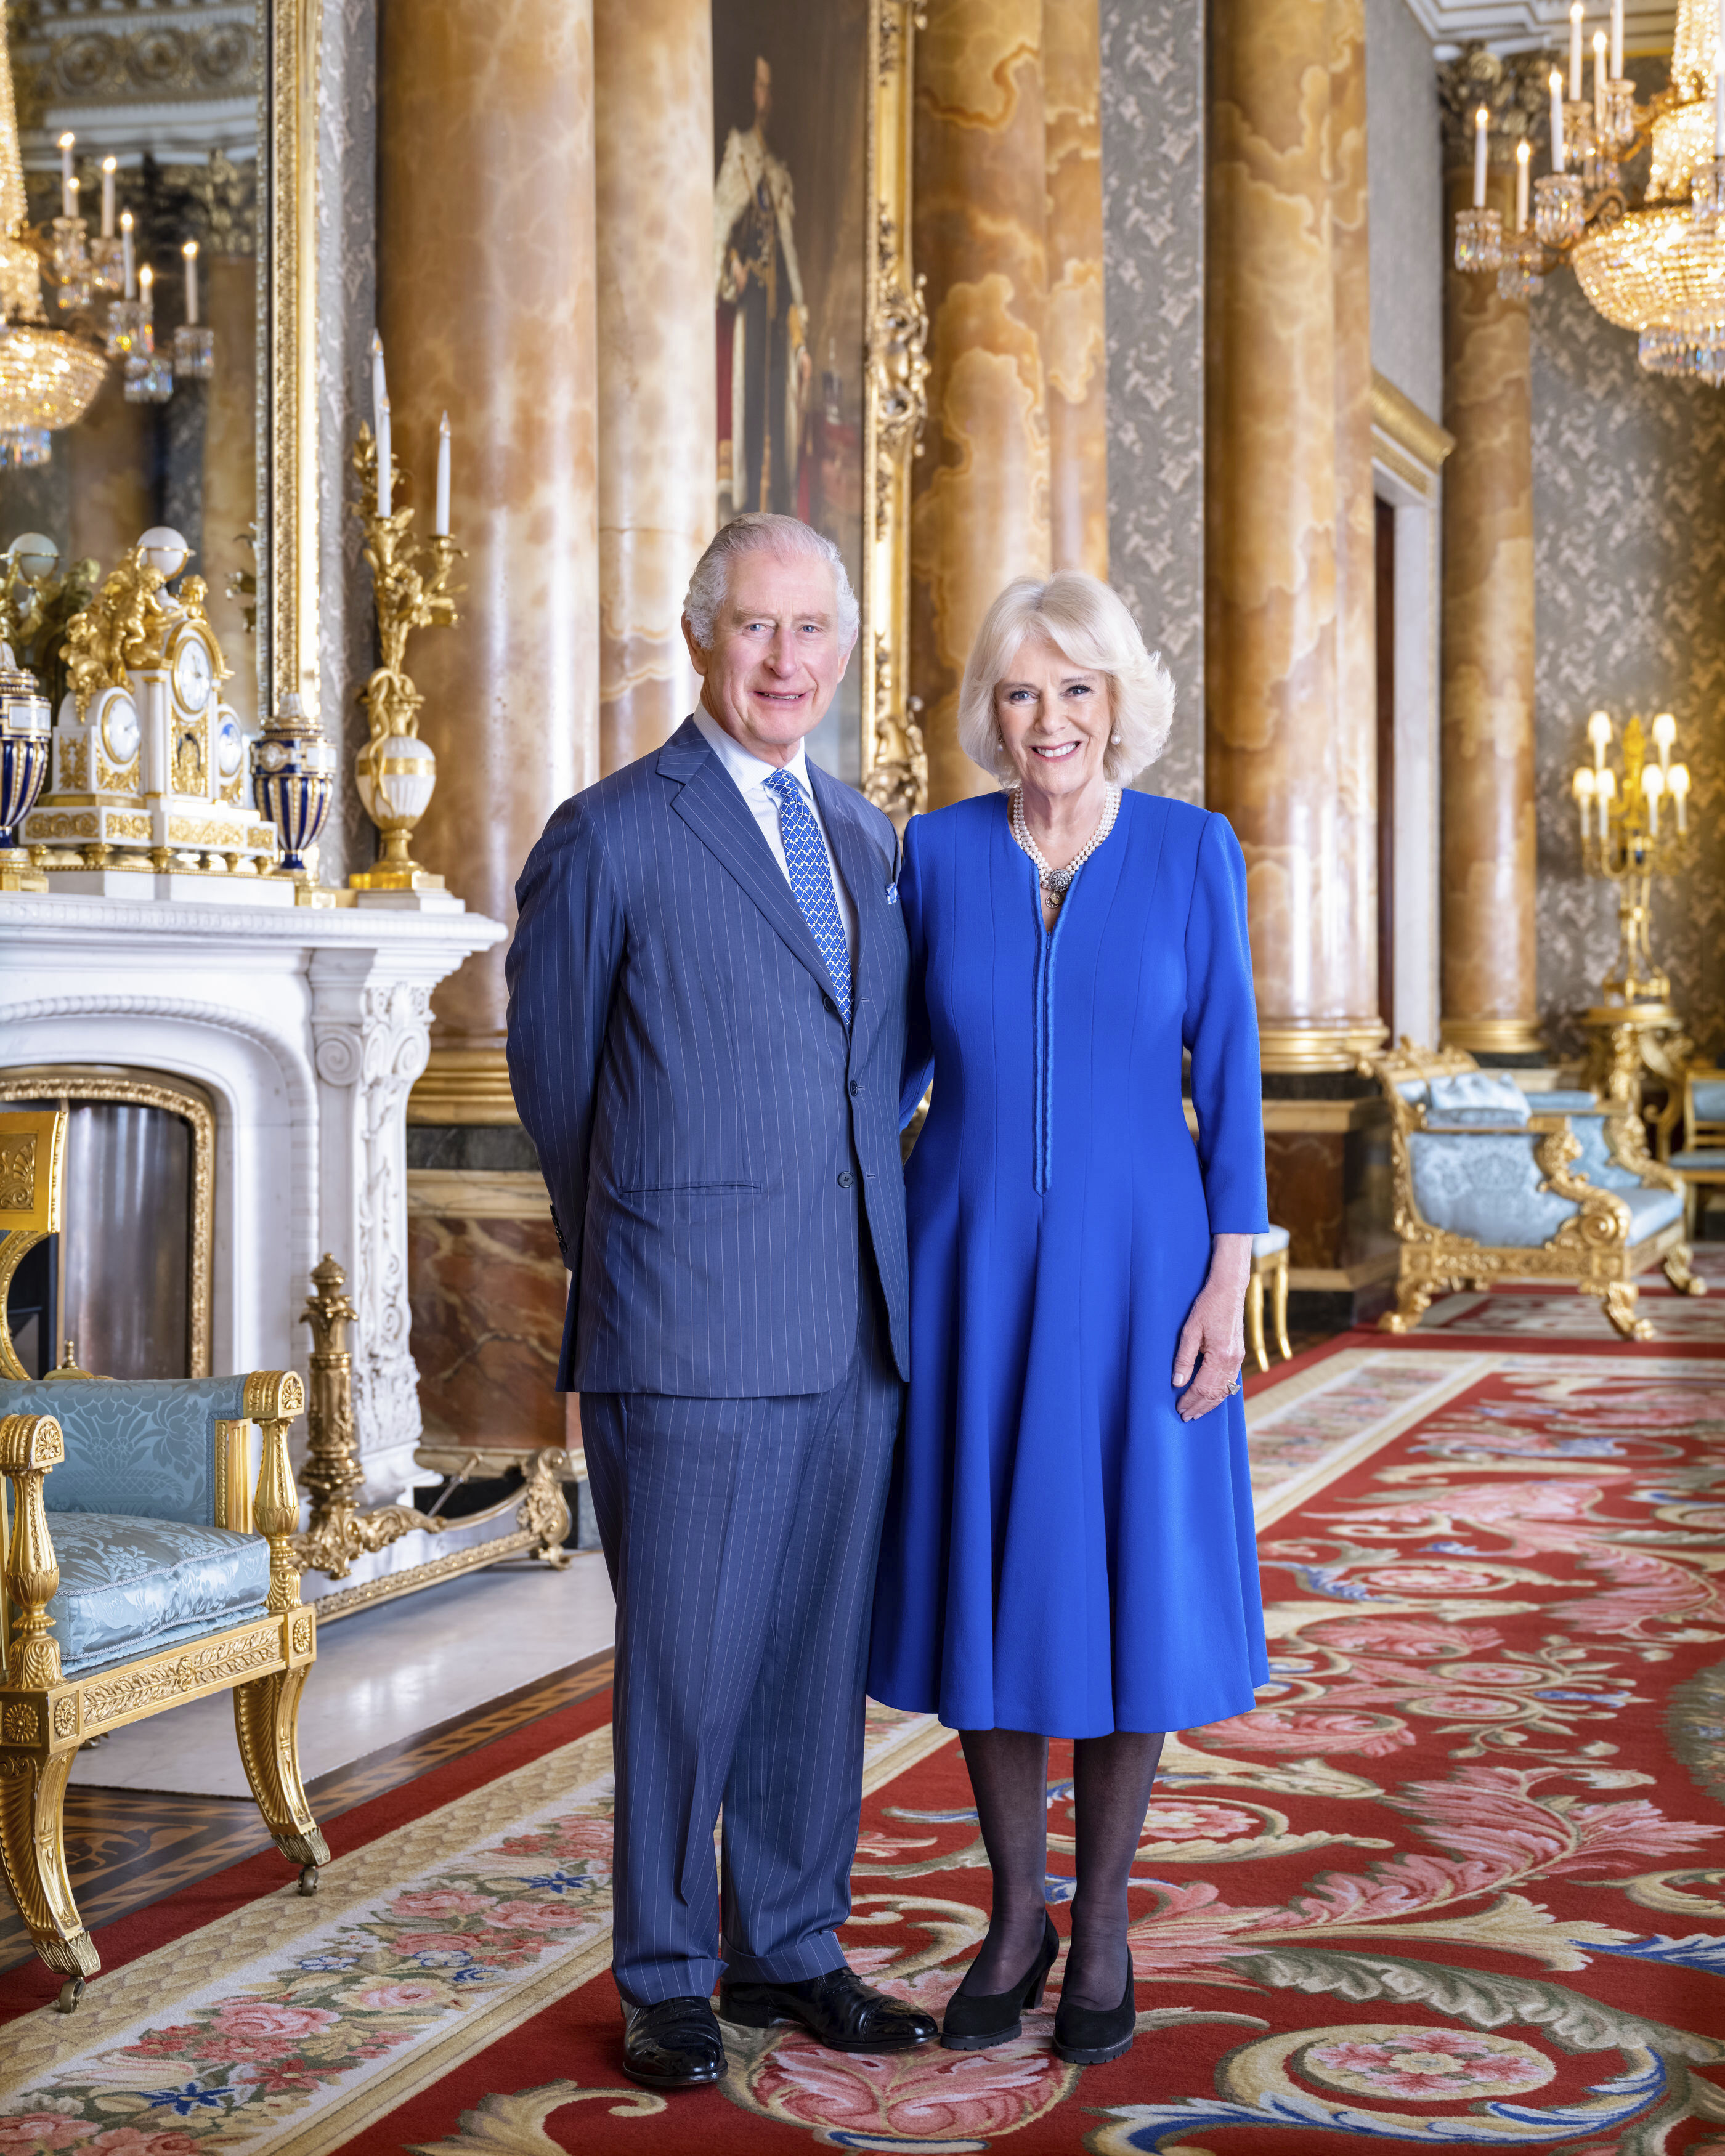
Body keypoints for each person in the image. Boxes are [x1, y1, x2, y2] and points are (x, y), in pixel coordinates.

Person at [506, 513, 935, 2091]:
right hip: (685, 1326)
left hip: (856, 1328)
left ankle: (795, 1944)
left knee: (818, 1659)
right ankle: (670, 1972)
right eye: (756, 628)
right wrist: (649, 1255)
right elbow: (558, 1094)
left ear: (840, 646)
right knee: (683, 1668)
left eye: (812, 630)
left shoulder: (869, 837)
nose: (784, 661)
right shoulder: (611, 833)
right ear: (701, 636)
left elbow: (880, 1069)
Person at [867, 572, 1270, 2069]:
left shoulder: (1189, 852)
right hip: (966, 1262)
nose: (1053, 721)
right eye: (1026, 693)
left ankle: (1101, 1922)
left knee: (1128, 1582)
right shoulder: (936, 855)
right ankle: (1014, 1910)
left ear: (1120, 704)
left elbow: (1227, 1081)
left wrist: (1228, 1287)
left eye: (1079, 690)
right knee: (993, 1576)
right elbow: (886, 1078)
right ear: (995, 710)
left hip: (1146, 1271)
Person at [715, 55, 811, 517]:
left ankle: (774, 515)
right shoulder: (738, 154)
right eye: (758, 86)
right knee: (749, 408)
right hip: (748, 303)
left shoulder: (776, 169)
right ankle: (747, 510)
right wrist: (730, 262)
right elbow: (718, 229)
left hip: (775, 313)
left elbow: (788, 259)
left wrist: (800, 341)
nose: (765, 98)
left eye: (770, 88)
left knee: (777, 410)